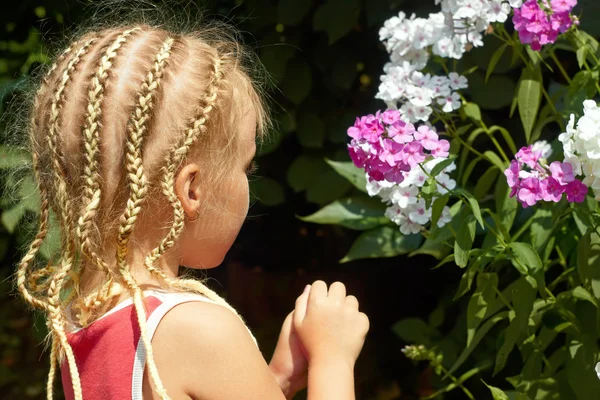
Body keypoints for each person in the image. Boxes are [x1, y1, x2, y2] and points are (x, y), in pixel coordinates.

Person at [13, 7, 369, 400]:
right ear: (192, 189)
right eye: (245, 166)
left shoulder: (82, 319)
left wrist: (278, 379)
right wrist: (332, 360)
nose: (249, 182)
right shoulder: (195, 329)